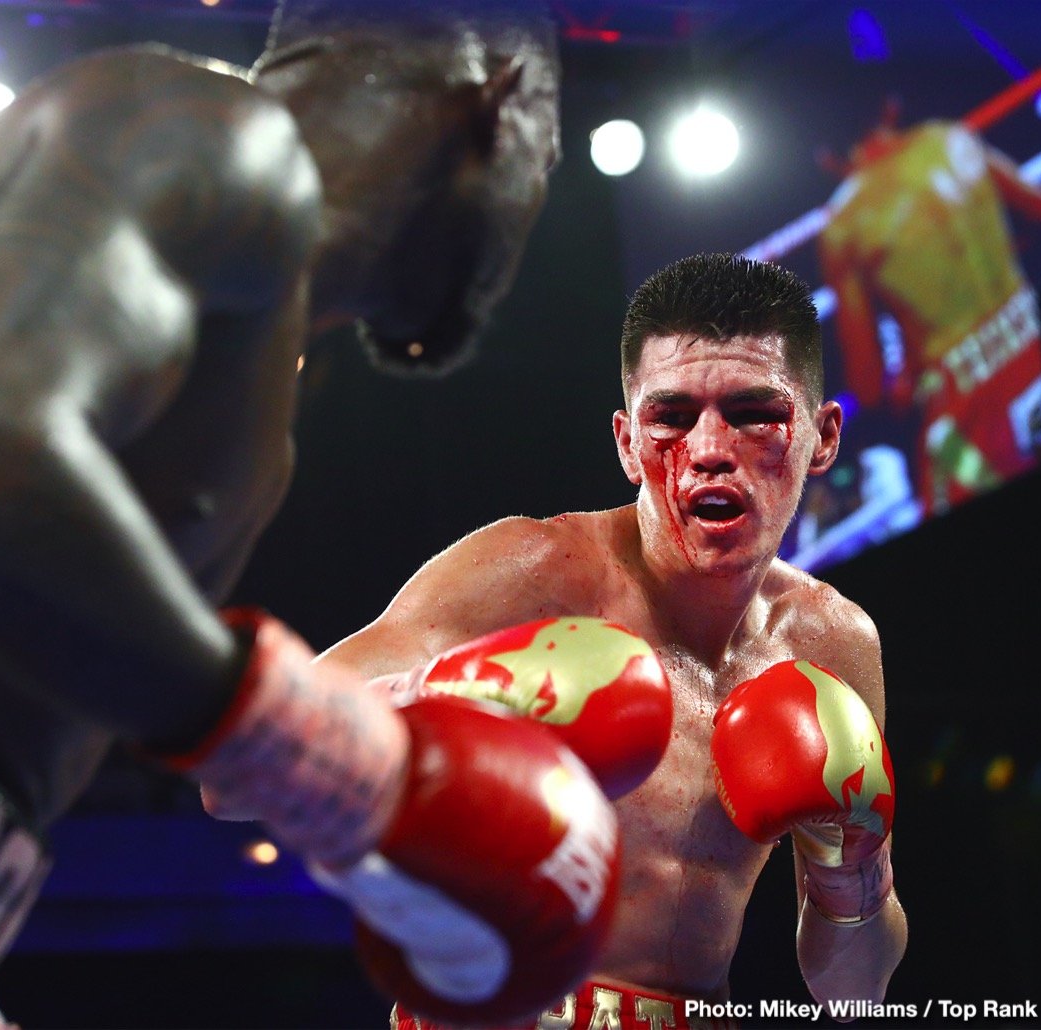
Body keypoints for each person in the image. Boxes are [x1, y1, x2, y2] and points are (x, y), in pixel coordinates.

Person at [0, 3, 622, 1026]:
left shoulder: (258, 384)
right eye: (547, 164)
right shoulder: (213, 136)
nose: (527, 226)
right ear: (501, 102)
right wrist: (325, 757)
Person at [320, 253, 910, 1028]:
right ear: (628, 443)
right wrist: (457, 693)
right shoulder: (531, 576)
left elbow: (854, 996)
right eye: (671, 417)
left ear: (824, 435)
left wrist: (854, 866)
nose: (706, 449)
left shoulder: (832, 645)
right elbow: (228, 781)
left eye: (753, 411)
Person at [817, 102, 1041, 516]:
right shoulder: (953, 137)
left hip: (970, 410)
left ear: (826, 156)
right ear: (889, 109)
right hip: (1032, 341)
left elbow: (868, 385)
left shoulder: (848, 223)